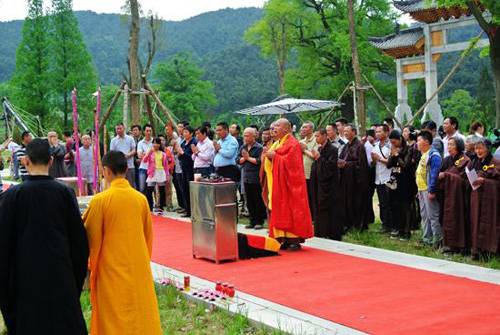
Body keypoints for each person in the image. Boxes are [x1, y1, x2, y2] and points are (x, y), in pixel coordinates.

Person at [0, 139, 89, 335]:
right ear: (50, 161)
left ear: (25, 161)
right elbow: (79, 244)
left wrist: (6, 292)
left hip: (25, 281)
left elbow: (3, 247)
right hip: (61, 278)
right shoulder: (65, 194)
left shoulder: (12, 196)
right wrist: (74, 282)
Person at [264, 118, 313, 250]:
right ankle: (284, 239)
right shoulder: (278, 142)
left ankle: (294, 241)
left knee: (292, 209)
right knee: (281, 209)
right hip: (279, 184)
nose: (274, 128)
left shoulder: (292, 143)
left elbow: (291, 163)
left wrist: (275, 157)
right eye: (274, 126)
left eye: (277, 126)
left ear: (286, 128)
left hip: (291, 185)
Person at [468, 138, 500, 260]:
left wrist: (485, 181)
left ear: (488, 149)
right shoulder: (473, 162)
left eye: (481, 148)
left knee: (489, 222)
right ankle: (476, 251)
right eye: (476, 148)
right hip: (476, 197)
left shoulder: (495, 162)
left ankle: (490, 252)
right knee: (475, 222)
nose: (478, 151)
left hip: (490, 199)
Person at [437, 137, 471, 252]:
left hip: (459, 197)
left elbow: (464, 180)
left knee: (458, 219)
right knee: (446, 219)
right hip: (446, 194)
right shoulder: (447, 159)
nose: (449, 147)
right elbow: (440, 173)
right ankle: (449, 244)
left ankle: (460, 246)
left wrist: (447, 176)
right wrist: (442, 176)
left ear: (459, 146)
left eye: (452, 145)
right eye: (448, 144)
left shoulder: (465, 160)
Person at [338, 124, 373, 231]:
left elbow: (360, 165)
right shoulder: (347, 145)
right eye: (344, 131)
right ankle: (348, 223)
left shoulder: (359, 146)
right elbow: (341, 158)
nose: (345, 133)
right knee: (347, 201)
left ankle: (358, 224)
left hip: (357, 181)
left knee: (357, 202)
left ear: (354, 132)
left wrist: (346, 164)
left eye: (348, 131)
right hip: (347, 179)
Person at [310, 128, 341, 240]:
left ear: (324, 136)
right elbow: (316, 165)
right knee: (319, 207)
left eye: (318, 136)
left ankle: (330, 232)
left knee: (329, 209)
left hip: (329, 186)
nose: (316, 138)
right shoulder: (319, 148)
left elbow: (330, 168)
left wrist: (319, 158)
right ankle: (320, 231)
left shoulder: (333, 149)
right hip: (319, 185)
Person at [416, 130, 443, 247]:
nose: (417, 143)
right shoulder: (424, 154)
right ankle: (427, 239)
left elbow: (434, 175)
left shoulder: (434, 155)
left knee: (433, 215)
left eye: (418, 140)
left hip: (428, 190)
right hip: (422, 190)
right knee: (424, 215)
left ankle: (437, 241)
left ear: (426, 142)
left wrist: (431, 191)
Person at [387, 130, 413, 240]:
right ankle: (398, 228)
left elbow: (405, 165)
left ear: (400, 139)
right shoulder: (392, 149)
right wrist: (391, 154)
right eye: (391, 143)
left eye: (395, 142)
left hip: (405, 181)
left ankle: (407, 231)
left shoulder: (408, 149)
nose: (394, 145)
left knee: (405, 206)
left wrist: (397, 154)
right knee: (395, 205)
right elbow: (388, 165)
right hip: (394, 179)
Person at [237, 128, 266, 229]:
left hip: (256, 177)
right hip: (246, 177)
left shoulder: (259, 148)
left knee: (257, 200)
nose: (245, 138)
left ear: (254, 136)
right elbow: (237, 159)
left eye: (248, 135)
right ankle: (252, 220)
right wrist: (244, 158)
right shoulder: (242, 147)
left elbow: (259, 161)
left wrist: (248, 158)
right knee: (249, 200)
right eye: (244, 135)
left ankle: (259, 221)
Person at [142, 137, 174, 215]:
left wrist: (167, 175)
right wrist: (148, 153)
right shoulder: (150, 152)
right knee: (149, 190)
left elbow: (166, 165)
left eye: (157, 143)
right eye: (154, 143)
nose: (155, 145)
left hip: (160, 172)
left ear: (159, 145)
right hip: (152, 172)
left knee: (161, 190)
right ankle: (150, 208)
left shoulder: (163, 154)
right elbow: (144, 160)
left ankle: (161, 208)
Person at [371, 124, 393, 234]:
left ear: (386, 132)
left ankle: (392, 225)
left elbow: (390, 162)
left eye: (380, 131)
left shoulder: (390, 146)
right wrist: (374, 160)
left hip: (388, 178)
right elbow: (374, 162)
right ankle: (384, 225)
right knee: (382, 202)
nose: (377, 134)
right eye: (376, 132)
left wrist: (378, 158)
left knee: (390, 203)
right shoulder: (376, 145)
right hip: (378, 177)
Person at [174, 126, 197, 217]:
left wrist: (183, 153)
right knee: (185, 189)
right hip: (183, 167)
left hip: (191, 168)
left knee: (191, 189)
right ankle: (187, 210)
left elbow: (192, 157)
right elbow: (180, 156)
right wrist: (179, 154)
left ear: (191, 133)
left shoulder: (194, 142)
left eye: (186, 132)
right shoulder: (183, 143)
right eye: (183, 132)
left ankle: (194, 211)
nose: (184, 134)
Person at [299, 121, 318, 217]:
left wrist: (305, 150)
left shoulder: (316, 140)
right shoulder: (301, 142)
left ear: (311, 129)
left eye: (305, 127)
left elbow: (316, 156)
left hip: (312, 173)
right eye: (302, 127)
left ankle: (313, 217)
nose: (303, 129)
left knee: (312, 196)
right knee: (303, 197)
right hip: (301, 174)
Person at [110, 122, 136, 188]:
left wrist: (127, 155)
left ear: (124, 128)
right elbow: (112, 152)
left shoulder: (130, 138)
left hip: (129, 165)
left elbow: (134, 150)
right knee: (119, 185)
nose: (119, 130)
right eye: (117, 129)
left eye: (120, 128)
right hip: (118, 167)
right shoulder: (113, 140)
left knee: (130, 184)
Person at [137, 124, 154, 194]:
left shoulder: (154, 142)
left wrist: (145, 154)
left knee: (151, 189)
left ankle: (151, 204)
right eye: (147, 131)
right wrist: (150, 153)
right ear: (144, 131)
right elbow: (140, 156)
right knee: (142, 188)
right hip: (143, 167)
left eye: (150, 131)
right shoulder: (140, 143)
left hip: (153, 168)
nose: (149, 133)